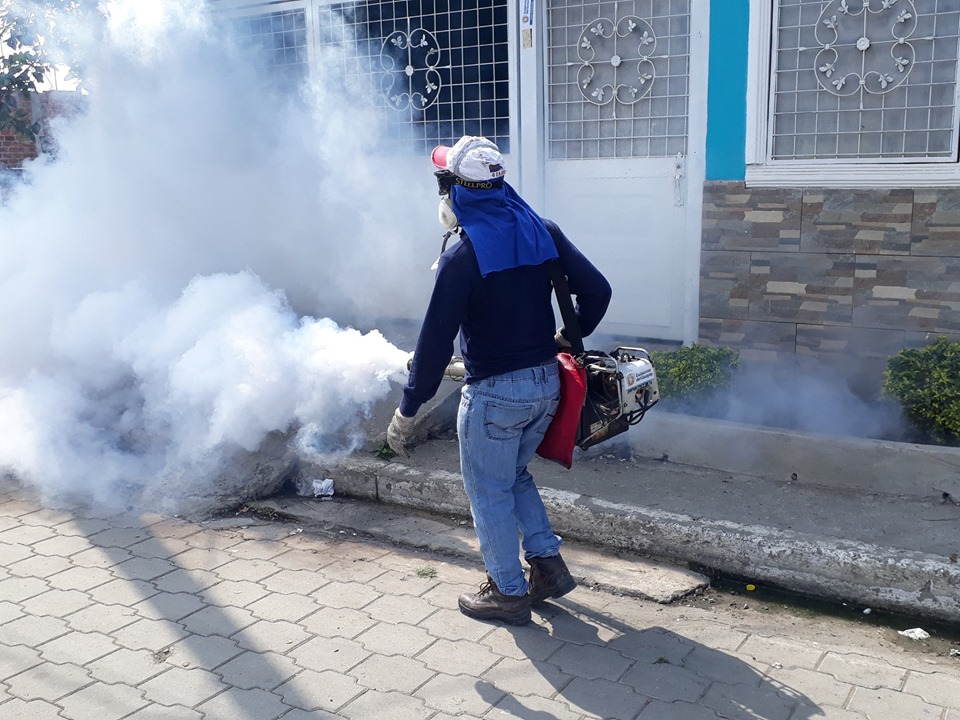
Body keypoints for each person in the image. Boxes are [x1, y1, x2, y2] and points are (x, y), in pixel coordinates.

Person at [387, 136, 611, 625]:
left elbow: (434, 346)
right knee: (513, 476)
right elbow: (598, 291)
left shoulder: (462, 259)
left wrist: (407, 410)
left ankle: (508, 593)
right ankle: (548, 567)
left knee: (488, 491)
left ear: (454, 193)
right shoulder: (542, 231)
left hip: (494, 398)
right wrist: (562, 338)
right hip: (546, 385)